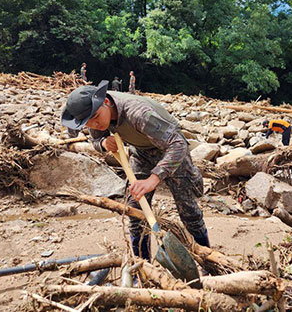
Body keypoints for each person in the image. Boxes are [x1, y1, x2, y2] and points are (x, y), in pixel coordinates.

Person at [61, 82, 210, 260]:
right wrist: (103, 143)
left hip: (170, 149)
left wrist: (154, 178)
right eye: (88, 122)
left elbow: (177, 144)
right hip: (141, 153)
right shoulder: (93, 117)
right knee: (135, 209)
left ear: (105, 102)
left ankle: (207, 260)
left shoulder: (138, 113)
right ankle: (142, 264)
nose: (95, 124)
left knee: (188, 210)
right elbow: (95, 140)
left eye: (96, 116)